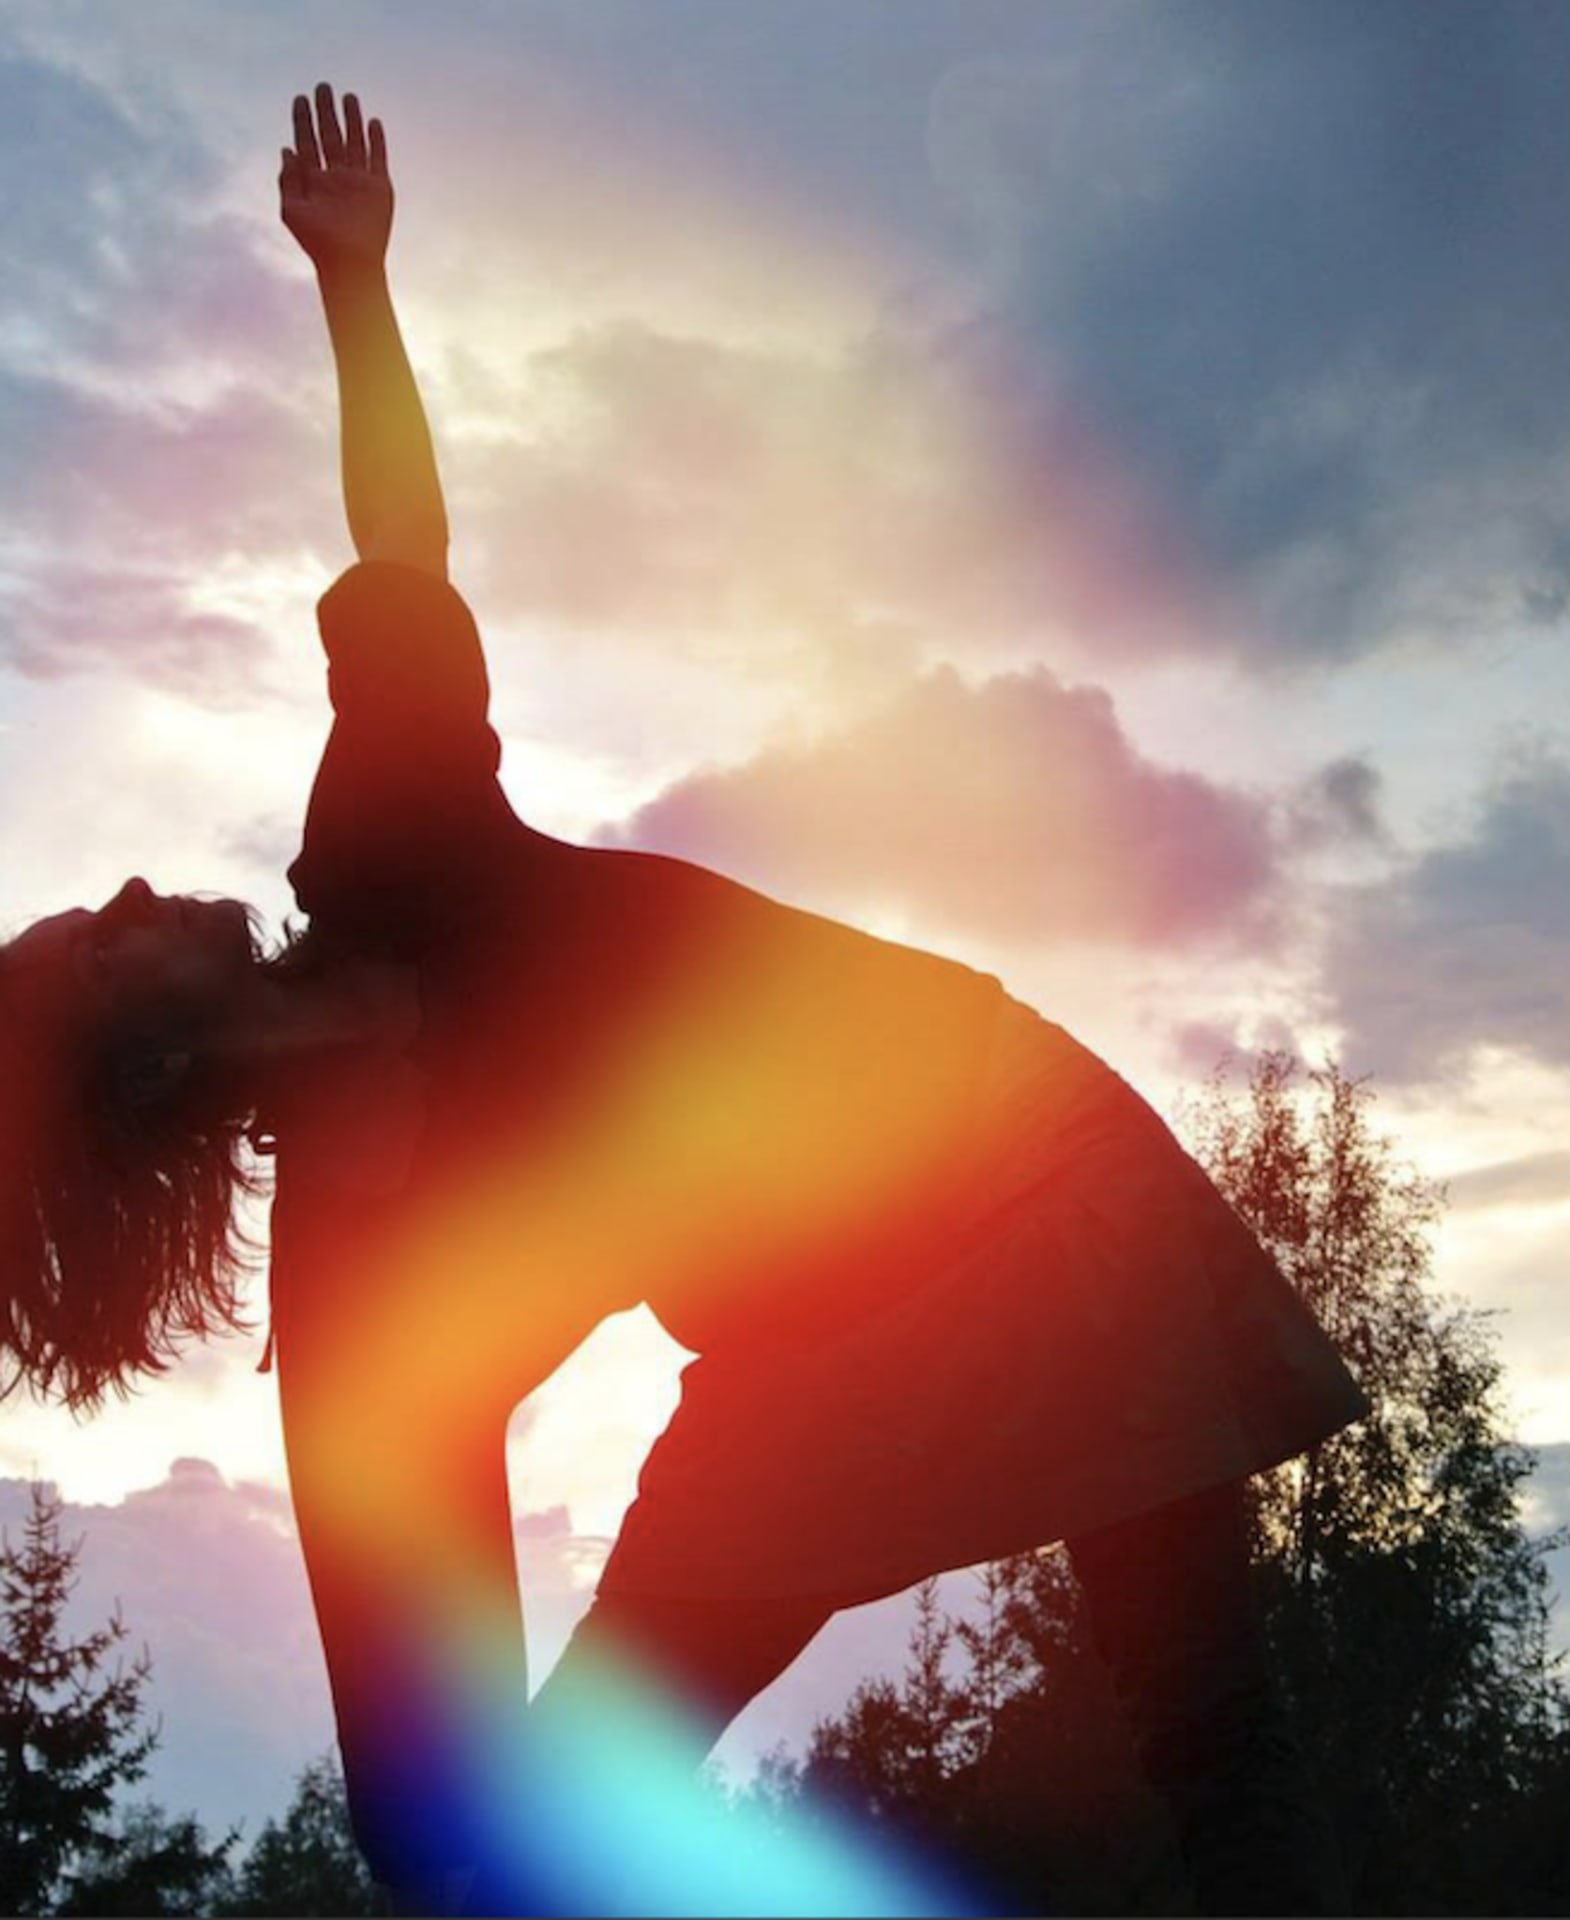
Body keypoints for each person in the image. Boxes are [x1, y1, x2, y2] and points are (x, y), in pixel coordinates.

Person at [0, 85, 1370, 1916]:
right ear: (137, 1065)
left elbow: (402, 551)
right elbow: (415, 1701)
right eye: (102, 936)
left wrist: (354, 289)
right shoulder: (359, 1283)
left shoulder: (387, 855)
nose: (139, 886)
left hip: (1018, 1150)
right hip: (819, 1358)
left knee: (1209, 1734)